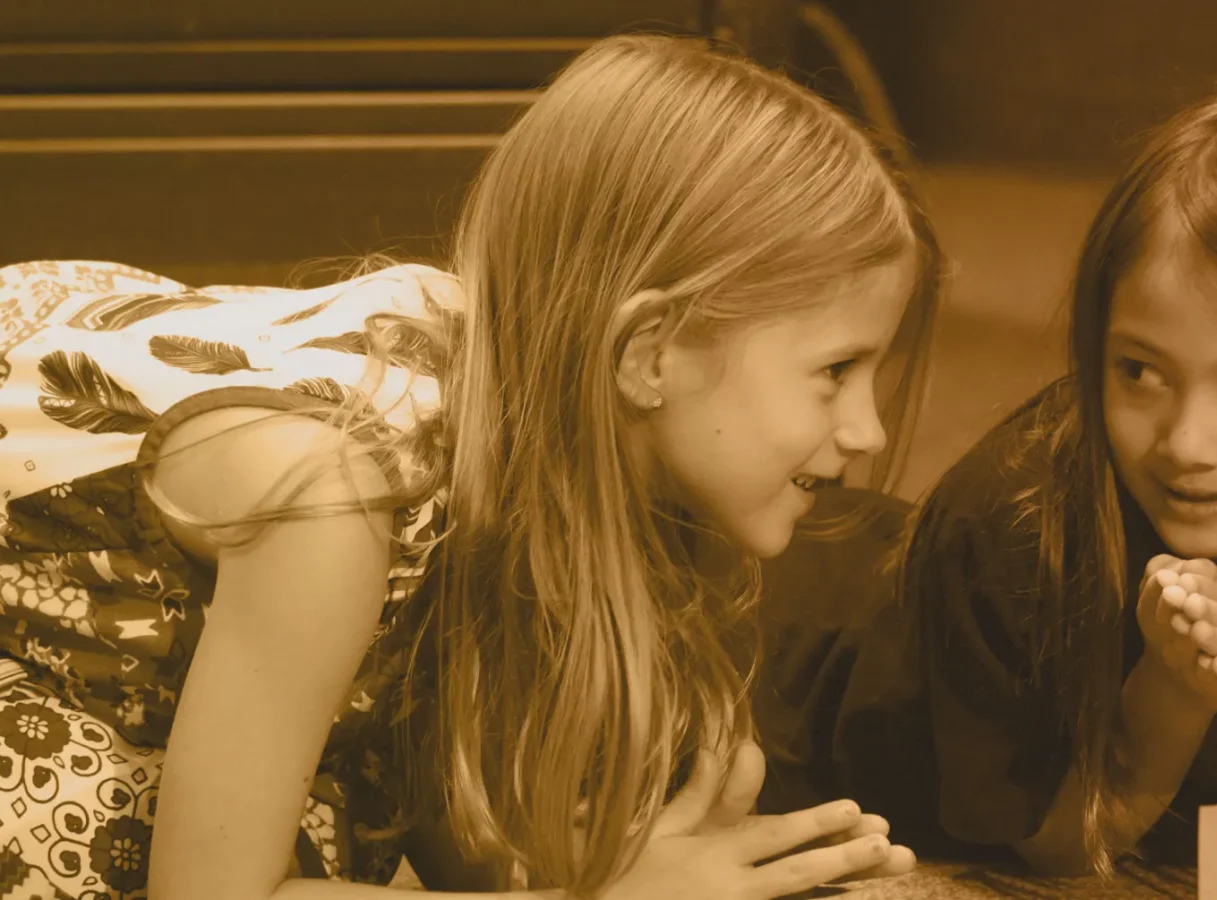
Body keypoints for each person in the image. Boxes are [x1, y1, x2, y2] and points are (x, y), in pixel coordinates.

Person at [0, 33, 938, 900]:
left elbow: (461, 822)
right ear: (650, 352)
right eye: (834, 371)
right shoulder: (333, 496)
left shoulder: (539, 416)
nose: (864, 429)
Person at [753, 72, 1217, 893]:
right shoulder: (1012, 514)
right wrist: (1174, 692)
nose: (1186, 443)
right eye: (1139, 370)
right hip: (788, 668)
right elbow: (1060, 853)